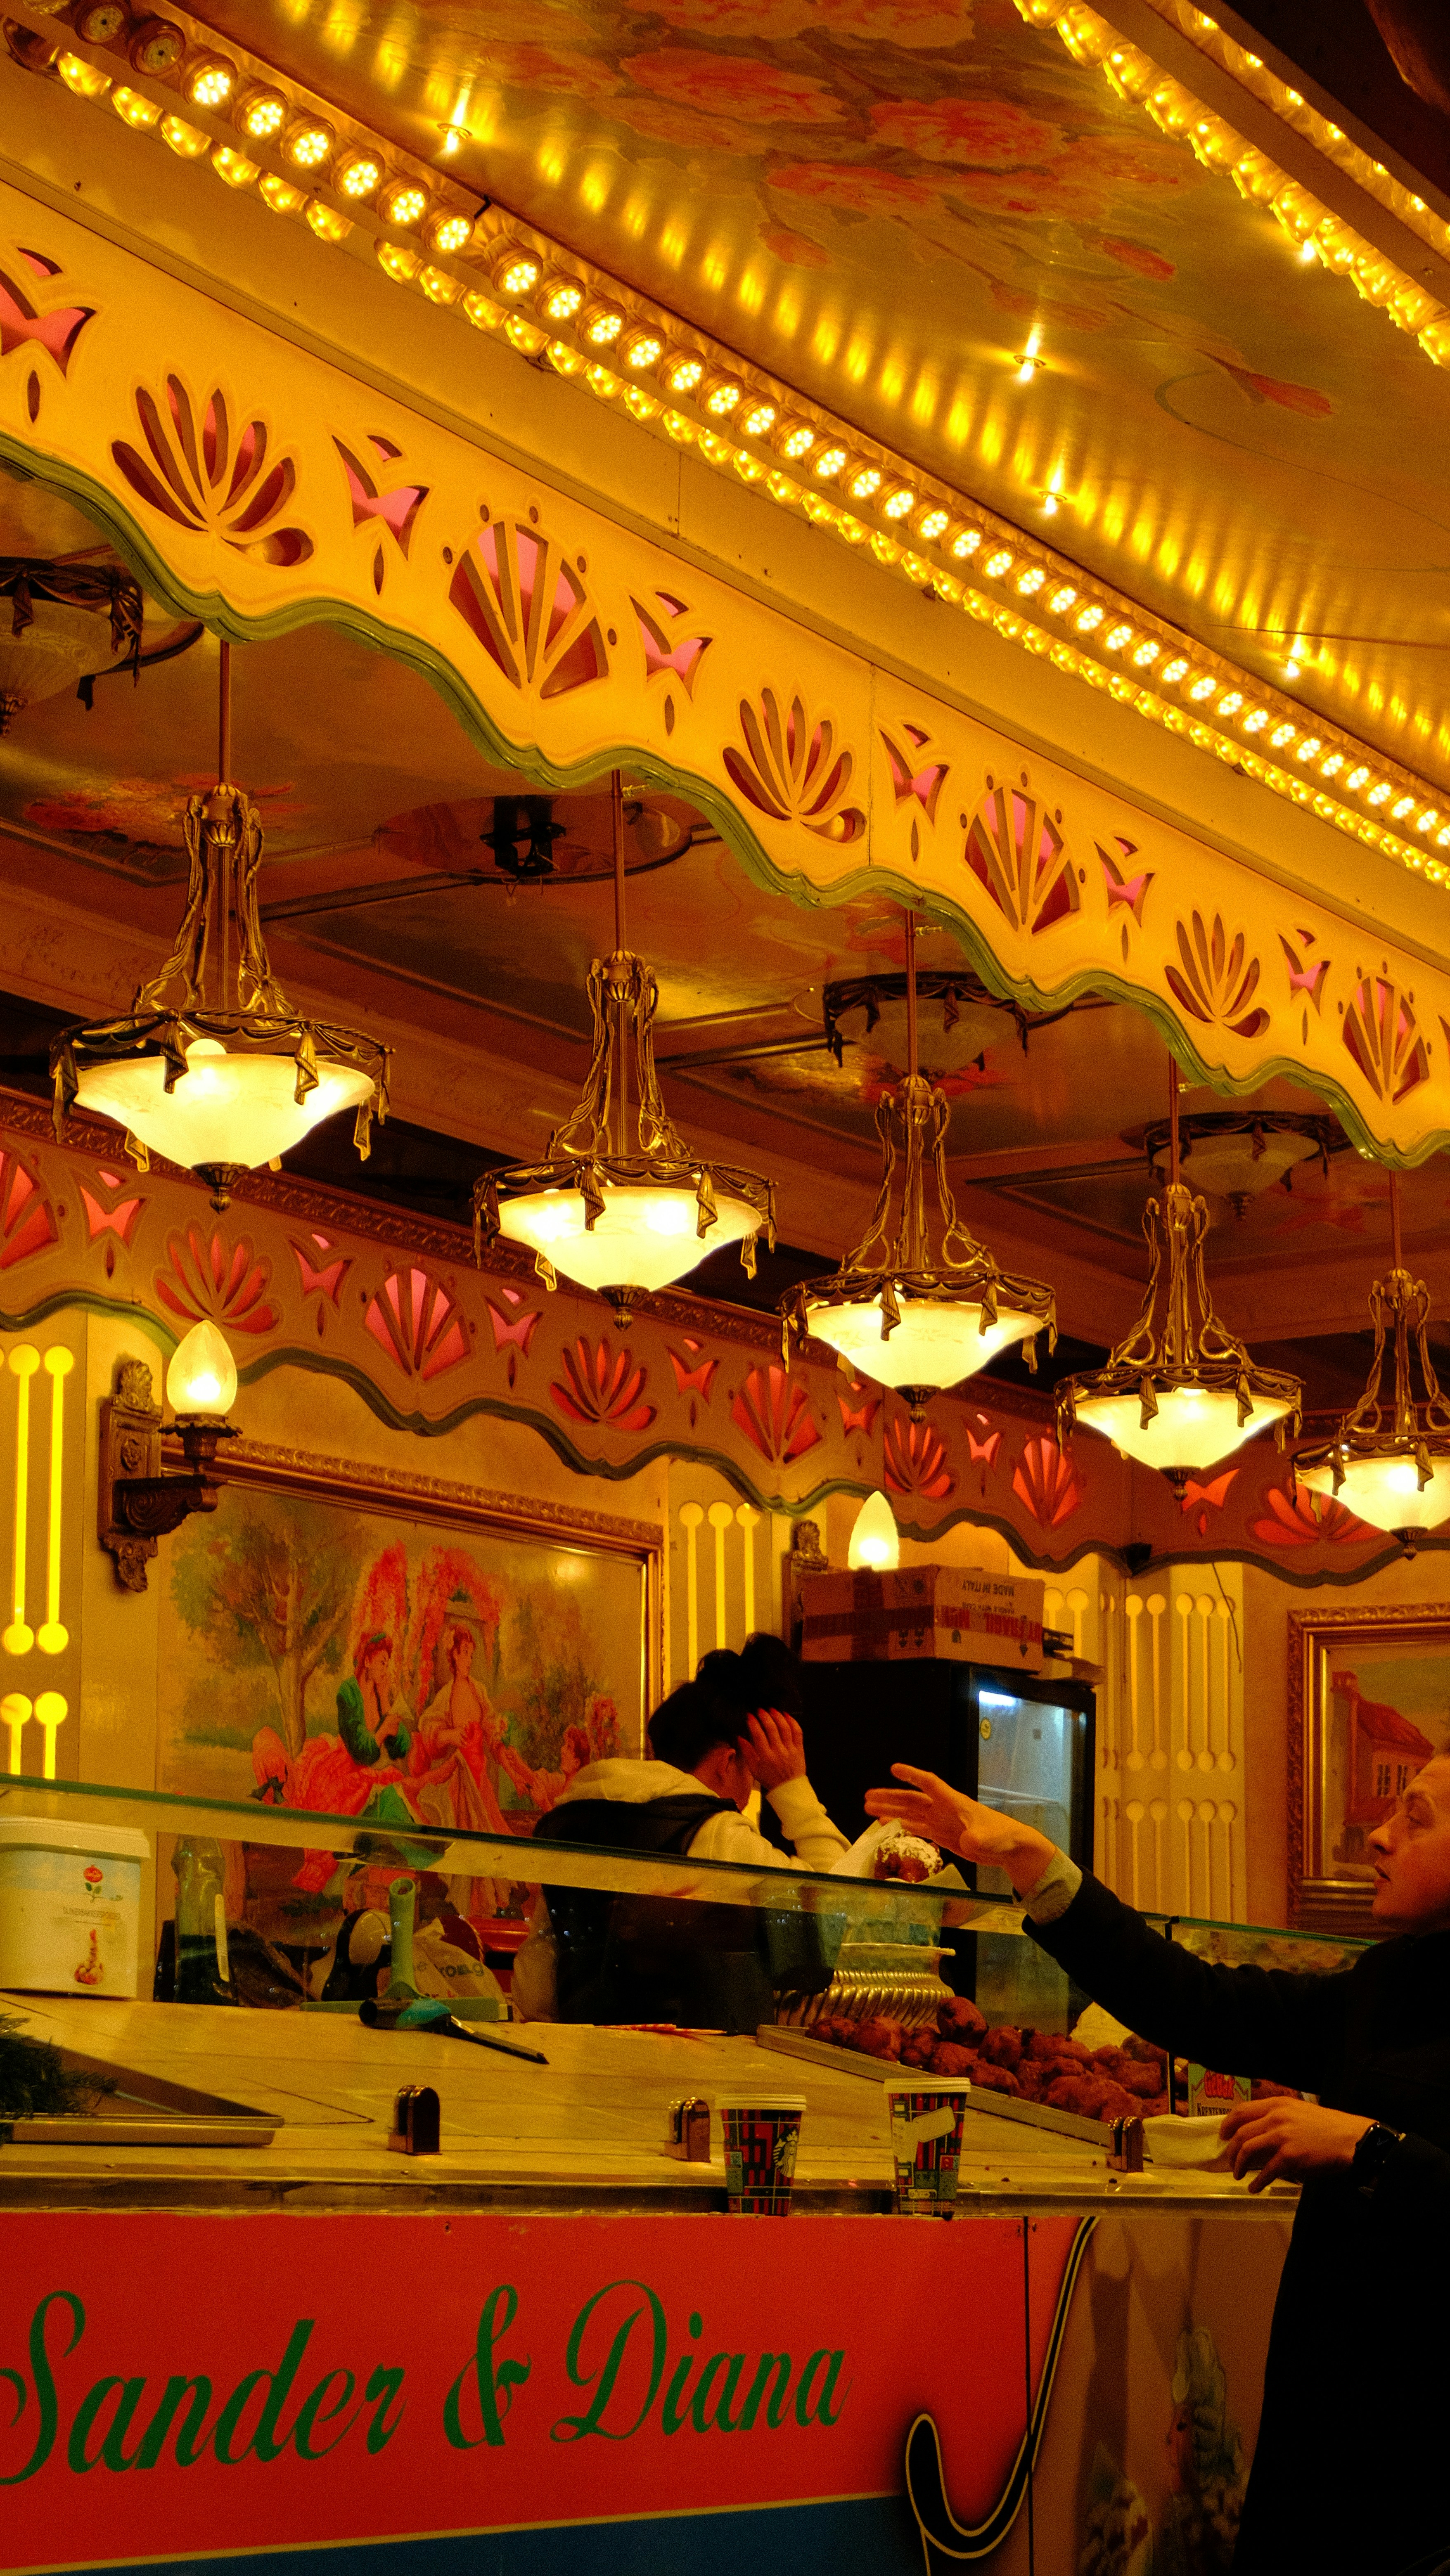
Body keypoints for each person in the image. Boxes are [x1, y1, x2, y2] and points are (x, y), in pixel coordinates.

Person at [864, 1753, 1450, 2576]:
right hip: (1327, 2451)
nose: (1380, 1838)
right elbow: (1199, 2000)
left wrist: (1371, 2151)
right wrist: (1036, 1865)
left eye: (1415, 1819)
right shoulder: (1392, 1981)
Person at [521, 1650, 848, 2024]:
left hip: (584, 2055)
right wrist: (792, 1787)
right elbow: (840, 1918)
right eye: (753, 1779)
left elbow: (539, 1967)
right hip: (694, 2059)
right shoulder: (715, 1832)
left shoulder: (575, 1816)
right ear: (728, 1763)